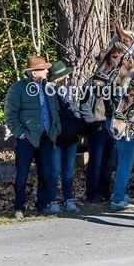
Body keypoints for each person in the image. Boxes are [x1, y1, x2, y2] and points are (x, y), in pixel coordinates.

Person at [5, 56, 60, 218]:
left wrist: (55, 130)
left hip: (45, 137)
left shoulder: (49, 87)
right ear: (34, 72)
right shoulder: (17, 89)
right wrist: (20, 133)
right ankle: (19, 208)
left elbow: (55, 110)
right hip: (26, 139)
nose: (46, 71)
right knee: (22, 175)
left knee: (46, 173)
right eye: (44, 69)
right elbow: (10, 114)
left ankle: (42, 205)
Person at [48, 61, 82, 214]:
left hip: (71, 138)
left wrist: (78, 124)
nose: (68, 77)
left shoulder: (69, 91)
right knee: (54, 172)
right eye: (65, 75)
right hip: (56, 139)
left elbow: (74, 110)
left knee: (68, 172)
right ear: (58, 77)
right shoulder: (50, 93)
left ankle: (69, 200)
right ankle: (53, 201)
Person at [78, 77, 115, 203]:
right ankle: (92, 194)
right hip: (97, 128)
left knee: (109, 162)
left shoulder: (114, 83)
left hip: (112, 127)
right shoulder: (90, 84)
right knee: (96, 163)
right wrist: (94, 125)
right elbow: (84, 108)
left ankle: (105, 192)